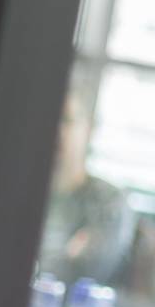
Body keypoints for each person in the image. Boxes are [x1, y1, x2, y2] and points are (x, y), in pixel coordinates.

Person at [36, 89, 133, 286]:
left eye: (67, 120)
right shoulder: (24, 191)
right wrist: (66, 255)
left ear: (87, 130)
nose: (57, 131)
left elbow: (88, 274)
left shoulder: (109, 201)